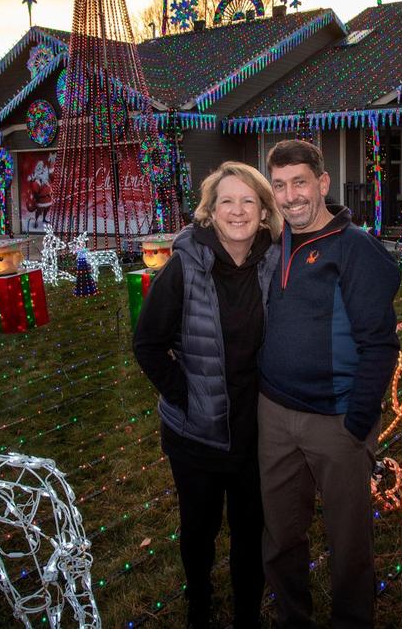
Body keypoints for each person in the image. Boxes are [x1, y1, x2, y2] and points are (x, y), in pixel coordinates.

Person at [258, 139, 401, 628]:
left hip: (337, 420)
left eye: (300, 182)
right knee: (280, 537)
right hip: (274, 415)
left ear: (322, 183)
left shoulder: (355, 248)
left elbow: (380, 345)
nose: (290, 195)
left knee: (348, 543)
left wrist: (357, 421)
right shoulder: (273, 244)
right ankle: (292, 619)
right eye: (279, 185)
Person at [133, 161, 282, 629]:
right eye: (226, 201)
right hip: (196, 437)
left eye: (248, 201)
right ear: (210, 212)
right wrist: (186, 397)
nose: (237, 211)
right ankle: (198, 605)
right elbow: (148, 344)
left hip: (256, 432)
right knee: (199, 530)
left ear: (262, 212)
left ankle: (246, 615)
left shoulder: (277, 263)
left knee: (249, 532)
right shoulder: (185, 267)